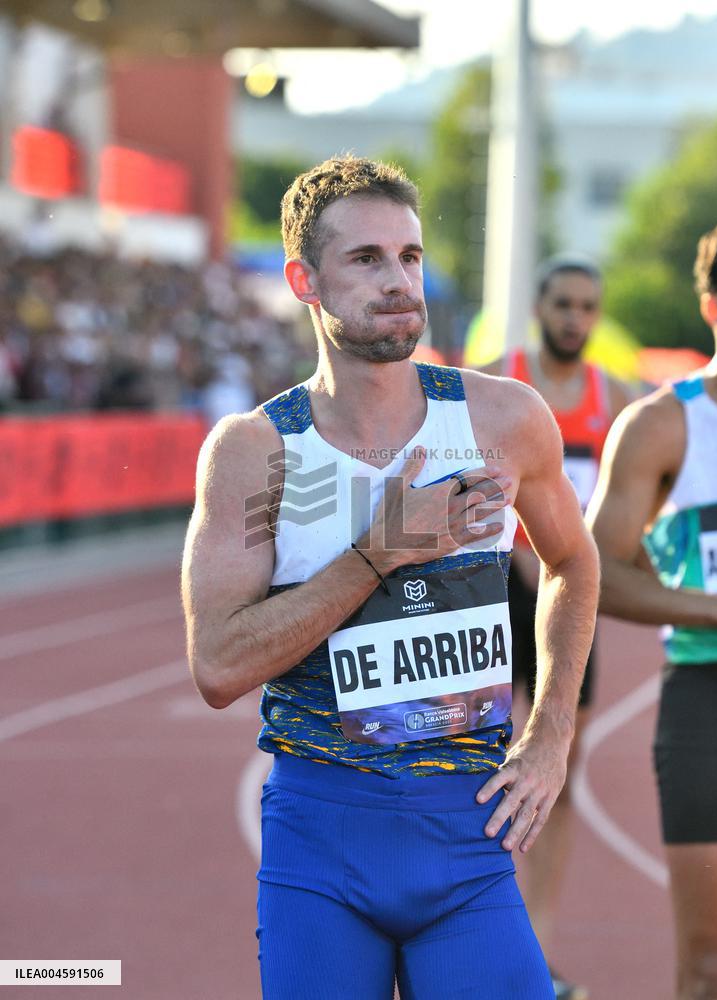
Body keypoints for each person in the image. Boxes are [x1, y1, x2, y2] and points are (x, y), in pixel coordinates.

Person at [181, 155, 600, 999]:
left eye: (408, 256)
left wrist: (552, 732)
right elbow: (218, 668)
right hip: (320, 845)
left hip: (468, 835)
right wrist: (380, 550)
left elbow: (573, 562)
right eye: (365, 260)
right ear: (305, 280)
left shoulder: (501, 420)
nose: (399, 281)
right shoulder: (256, 453)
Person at [586, 217, 717, 1000]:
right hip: (712, 708)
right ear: (715, 307)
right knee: (713, 961)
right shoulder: (661, 425)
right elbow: (594, 572)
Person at [482, 256, 630, 999]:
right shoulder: (493, 383)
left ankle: (536, 946)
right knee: (477, 768)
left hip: (570, 599)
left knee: (557, 779)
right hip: (496, 588)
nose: (575, 317)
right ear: (538, 305)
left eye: (587, 306)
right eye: (563, 303)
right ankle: (481, 930)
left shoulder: (617, 399)